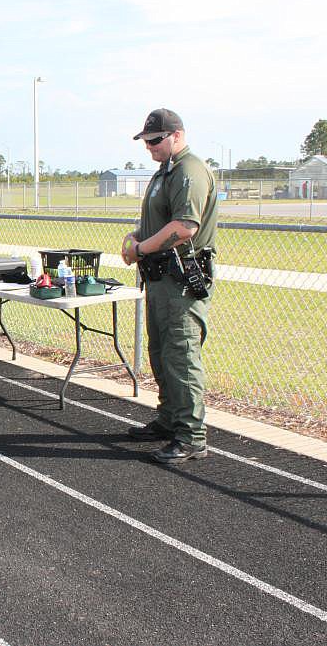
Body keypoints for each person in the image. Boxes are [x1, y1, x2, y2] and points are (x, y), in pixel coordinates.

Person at [122, 108, 218, 464]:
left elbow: (184, 228)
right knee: (161, 351)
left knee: (181, 355)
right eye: (146, 141)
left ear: (177, 135)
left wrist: (141, 248)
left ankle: (192, 436)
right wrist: (136, 237)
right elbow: (159, 221)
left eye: (155, 140)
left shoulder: (190, 171)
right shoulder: (166, 171)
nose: (149, 147)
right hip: (159, 277)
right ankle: (169, 419)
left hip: (179, 280)